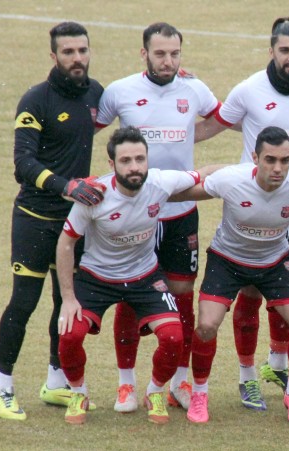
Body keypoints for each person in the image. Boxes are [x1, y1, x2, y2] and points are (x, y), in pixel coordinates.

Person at [194, 18, 289, 408]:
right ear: (272, 51)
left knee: (287, 289)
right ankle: (247, 376)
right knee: (248, 292)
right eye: (285, 51)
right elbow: (213, 124)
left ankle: (276, 364)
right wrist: (171, 132)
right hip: (252, 204)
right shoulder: (248, 89)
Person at [171, 126, 289, 425]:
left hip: (274, 261)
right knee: (205, 325)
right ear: (255, 158)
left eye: (285, 160)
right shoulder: (231, 180)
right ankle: (200, 393)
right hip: (227, 260)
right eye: (270, 159)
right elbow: (183, 191)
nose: (278, 168)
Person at [95, 22, 221, 413]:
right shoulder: (120, 91)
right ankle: (126, 385)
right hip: (136, 213)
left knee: (183, 295)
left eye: (174, 54)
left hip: (181, 213)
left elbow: (221, 119)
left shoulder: (194, 89)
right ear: (144, 53)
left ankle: (180, 380)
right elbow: (91, 129)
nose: (168, 61)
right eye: (160, 53)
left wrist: (183, 135)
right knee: (131, 294)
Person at [55, 126, 219, 425]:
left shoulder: (159, 181)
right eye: (126, 160)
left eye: (140, 159)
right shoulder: (94, 196)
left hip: (145, 276)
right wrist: (68, 298)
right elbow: (66, 242)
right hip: (96, 277)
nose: (134, 167)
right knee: (69, 335)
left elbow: (204, 173)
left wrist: (252, 169)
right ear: (112, 164)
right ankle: (79, 392)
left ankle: (154, 391)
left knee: (173, 337)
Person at [0, 21, 105, 421]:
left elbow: (134, 101)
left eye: (82, 50)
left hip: (73, 224)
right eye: (68, 52)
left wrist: (176, 81)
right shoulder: (35, 100)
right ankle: (1, 387)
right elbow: (23, 164)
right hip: (35, 219)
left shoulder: (95, 93)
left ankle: (56, 381)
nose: (77, 58)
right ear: (53, 56)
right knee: (24, 302)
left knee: (66, 302)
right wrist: (66, 186)